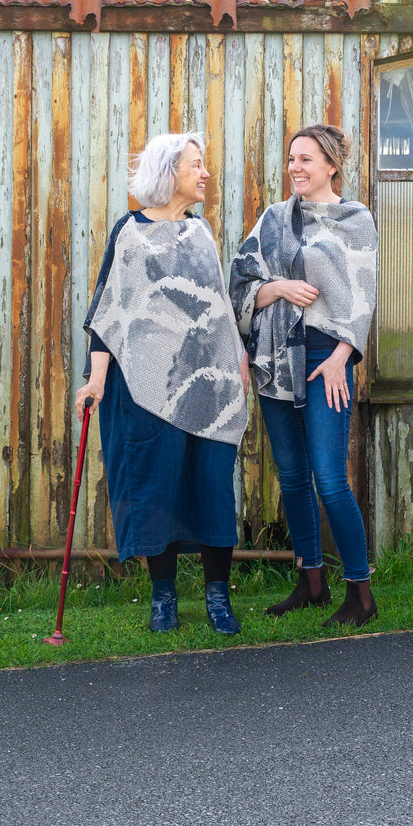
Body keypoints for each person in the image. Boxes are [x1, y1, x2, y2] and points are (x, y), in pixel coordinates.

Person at [75, 133, 249, 635]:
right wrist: (97, 379)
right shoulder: (129, 233)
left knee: (213, 486)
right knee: (158, 487)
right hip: (148, 385)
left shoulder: (202, 233)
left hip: (209, 387)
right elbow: (108, 311)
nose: (205, 174)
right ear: (170, 172)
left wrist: (236, 358)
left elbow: (216, 306)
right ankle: (163, 598)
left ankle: (219, 597)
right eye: (197, 165)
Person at [230, 124, 378, 628]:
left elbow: (362, 296)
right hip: (276, 355)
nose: (296, 167)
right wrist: (276, 289)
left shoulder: (356, 221)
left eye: (307, 159)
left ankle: (360, 592)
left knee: (330, 479)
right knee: (292, 476)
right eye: (292, 158)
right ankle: (310, 582)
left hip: (325, 359)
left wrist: (342, 357)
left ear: (332, 165)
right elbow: (241, 277)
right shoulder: (273, 219)